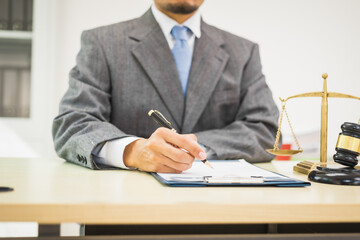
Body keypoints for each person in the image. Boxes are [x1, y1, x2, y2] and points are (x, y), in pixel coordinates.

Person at [52, 0, 279, 173]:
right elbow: (73, 124)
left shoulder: (243, 51)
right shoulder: (102, 42)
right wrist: (134, 150)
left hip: (225, 214)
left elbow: (265, 129)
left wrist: (191, 150)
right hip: (124, 213)